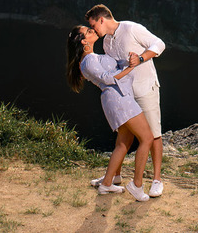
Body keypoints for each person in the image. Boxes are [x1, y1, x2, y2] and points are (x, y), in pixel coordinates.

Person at [85, 4, 166, 197]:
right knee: (123, 136)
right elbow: (115, 69)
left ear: (102, 19)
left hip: (145, 89)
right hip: (126, 95)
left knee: (154, 134)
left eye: (93, 25)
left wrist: (140, 57)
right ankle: (114, 177)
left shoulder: (131, 28)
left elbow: (159, 44)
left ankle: (157, 180)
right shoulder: (106, 43)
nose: (94, 30)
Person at [65, 25, 153, 202]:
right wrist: (129, 68)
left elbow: (114, 67)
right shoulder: (88, 61)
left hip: (120, 97)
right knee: (147, 138)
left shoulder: (93, 57)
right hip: (119, 99)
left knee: (124, 143)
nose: (93, 31)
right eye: (88, 32)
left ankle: (108, 182)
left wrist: (130, 60)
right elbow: (107, 78)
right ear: (84, 41)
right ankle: (137, 186)